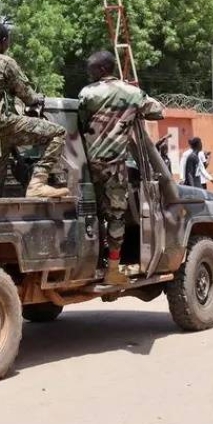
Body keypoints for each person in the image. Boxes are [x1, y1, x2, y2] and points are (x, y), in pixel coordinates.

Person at [77, 52, 164, 285]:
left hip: (88, 164)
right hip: (115, 164)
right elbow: (157, 111)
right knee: (116, 215)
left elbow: (81, 121)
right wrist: (135, 94)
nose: (90, 74)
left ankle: (94, 262)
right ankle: (113, 268)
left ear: (103, 69)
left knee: (92, 214)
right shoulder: (131, 94)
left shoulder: (87, 93)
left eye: (92, 70)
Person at [0, 23, 69, 199]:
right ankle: (37, 183)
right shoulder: (5, 63)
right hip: (6, 125)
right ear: (4, 41)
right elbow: (27, 96)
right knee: (58, 133)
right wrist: (38, 98)